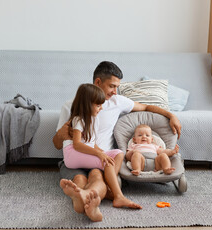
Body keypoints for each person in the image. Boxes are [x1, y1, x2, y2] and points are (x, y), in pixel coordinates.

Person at [53, 61, 181, 221]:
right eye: (112, 86)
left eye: (117, 87)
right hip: (78, 157)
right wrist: (63, 133)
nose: (115, 91)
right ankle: (92, 200)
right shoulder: (72, 106)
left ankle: (84, 201)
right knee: (80, 179)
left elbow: (146, 107)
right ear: (98, 82)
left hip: (100, 158)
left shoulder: (118, 101)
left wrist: (172, 116)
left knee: (96, 177)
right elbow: (57, 144)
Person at [62, 83, 141, 221]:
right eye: (98, 105)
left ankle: (83, 199)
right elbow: (77, 145)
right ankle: (118, 196)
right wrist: (99, 155)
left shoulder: (93, 119)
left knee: (117, 154)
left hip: (81, 152)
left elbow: (92, 143)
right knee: (106, 163)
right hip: (72, 154)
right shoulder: (79, 119)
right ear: (87, 104)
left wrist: (102, 152)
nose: (101, 108)